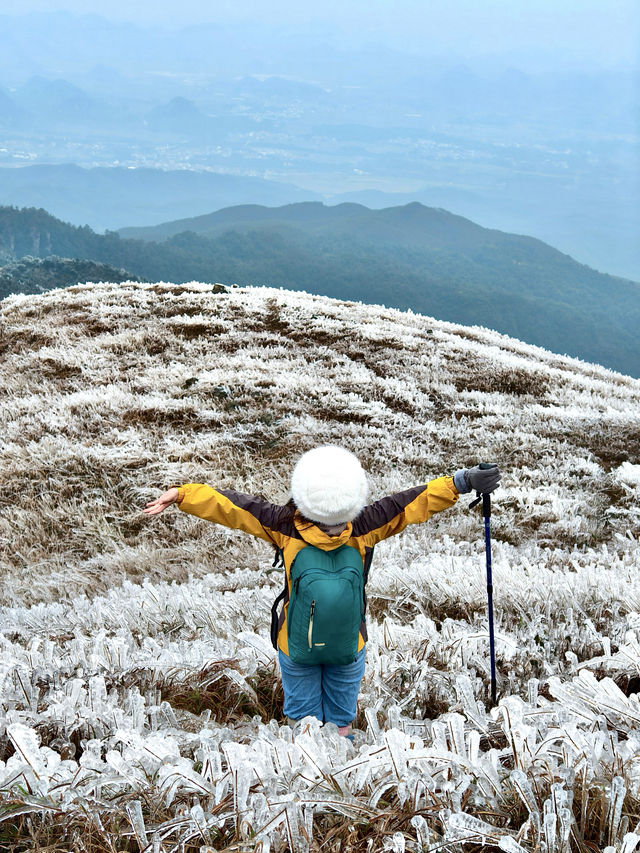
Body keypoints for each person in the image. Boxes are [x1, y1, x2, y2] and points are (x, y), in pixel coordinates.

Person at [143, 445, 500, 739]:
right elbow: (412, 502)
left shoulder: (282, 525)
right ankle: (340, 783)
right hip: (349, 645)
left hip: (295, 645)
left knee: (303, 726)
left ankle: (308, 786)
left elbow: (233, 506)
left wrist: (181, 494)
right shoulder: (366, 525)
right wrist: (463, 481)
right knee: (342, 724)